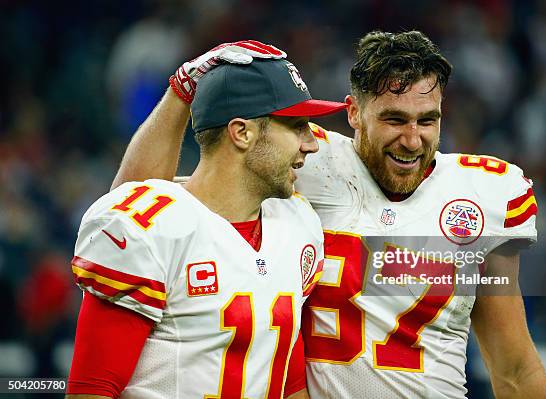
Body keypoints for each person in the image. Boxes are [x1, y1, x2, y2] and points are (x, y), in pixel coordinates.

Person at [110, 32, 546, 398]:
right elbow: (134, 206)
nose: (413, 140)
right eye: (395, 120)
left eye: (427, 120)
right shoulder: (301, 161)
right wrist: (182, 90)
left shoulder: (485, 197)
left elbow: (514, 367)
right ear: (355, 113)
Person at [66, 41, 347, 399]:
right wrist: (180, 90)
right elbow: (91, 389)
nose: (311, 143)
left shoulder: (297, 222)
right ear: (241, 132)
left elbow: (285, 375)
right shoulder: (153, 227)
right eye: (296, 126)